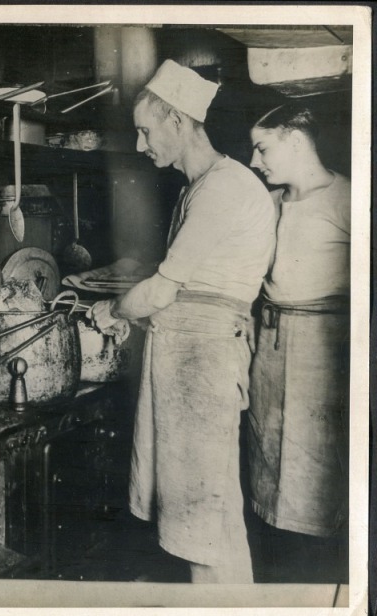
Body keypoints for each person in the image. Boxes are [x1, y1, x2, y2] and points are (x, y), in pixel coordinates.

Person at [87, 60, 277, 583]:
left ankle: (218, 612)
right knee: (207, 516)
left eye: (146, 131)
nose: (142, 145)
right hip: (190, 359)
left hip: (203, 363)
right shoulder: (201, 186)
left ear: (177, 120)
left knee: (203, 520)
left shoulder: (223, 188)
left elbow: (163, 290)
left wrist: (110, 309)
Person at [246, 103, 350, 580]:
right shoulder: (269, 202)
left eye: (262, 147)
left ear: (294, 140)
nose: (254, 160)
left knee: (318, 463)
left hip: (324, 349)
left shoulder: (348, 197)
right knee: (268, 453)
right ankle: (277, 571)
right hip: (269, 343)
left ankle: (319, 577)